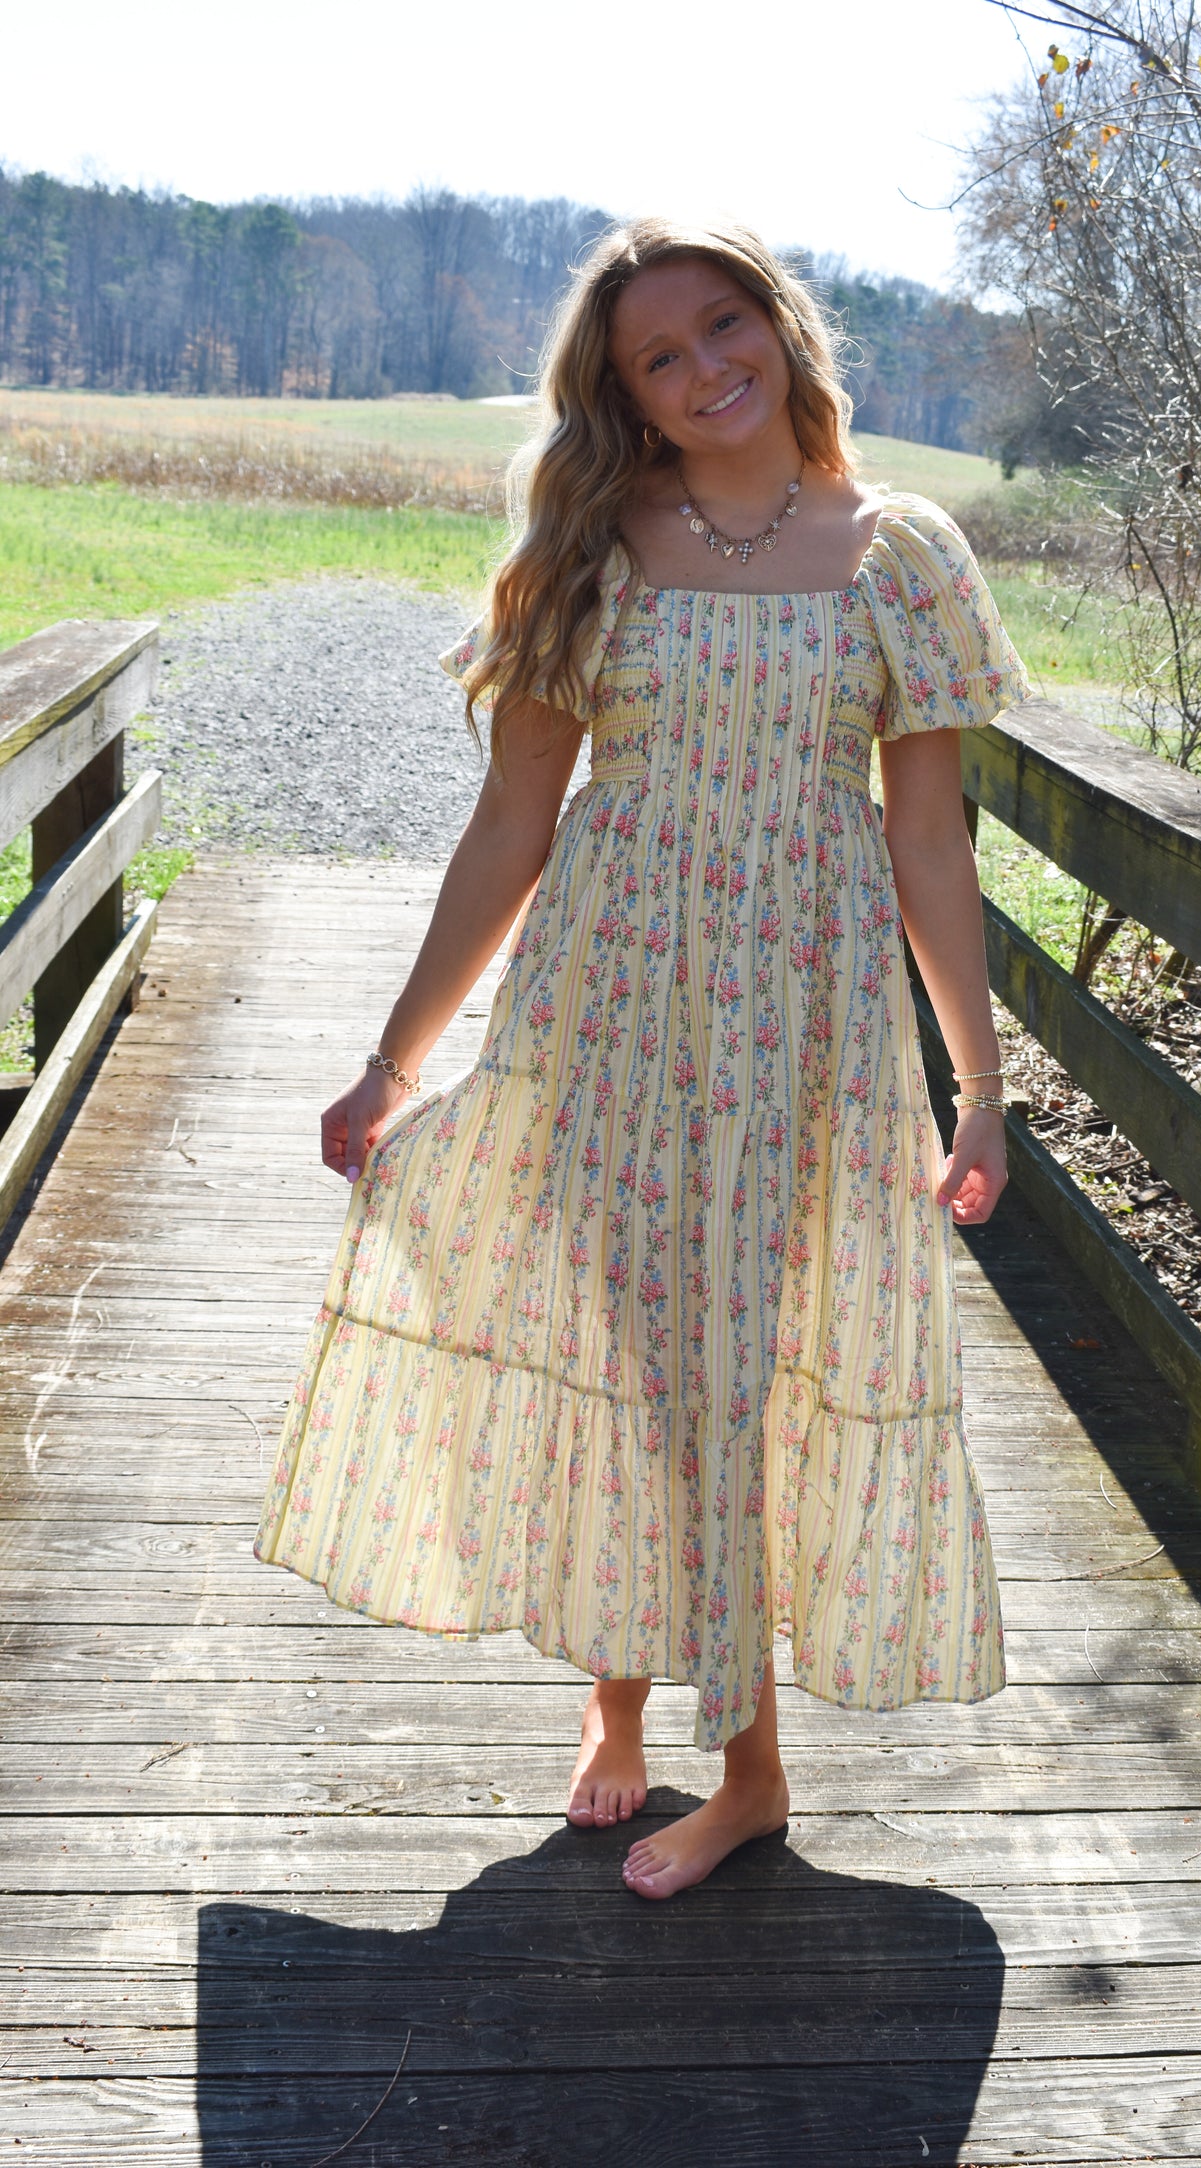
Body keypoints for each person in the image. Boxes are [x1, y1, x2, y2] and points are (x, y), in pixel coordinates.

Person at [254, 216, 1029, 1901]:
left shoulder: (901, 552)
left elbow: (928, 843)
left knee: (744, 1370)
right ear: (619, 396)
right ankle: (618, 1706)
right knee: (619, 1340)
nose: (700, 372)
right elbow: (515, 817)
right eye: (654, 359)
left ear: (780, 323)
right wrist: (397, 1061)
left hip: (807, 1022)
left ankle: (749, 1772)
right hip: (607, 1004)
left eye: (721, 325)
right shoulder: (585, 547)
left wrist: (975, 1084)